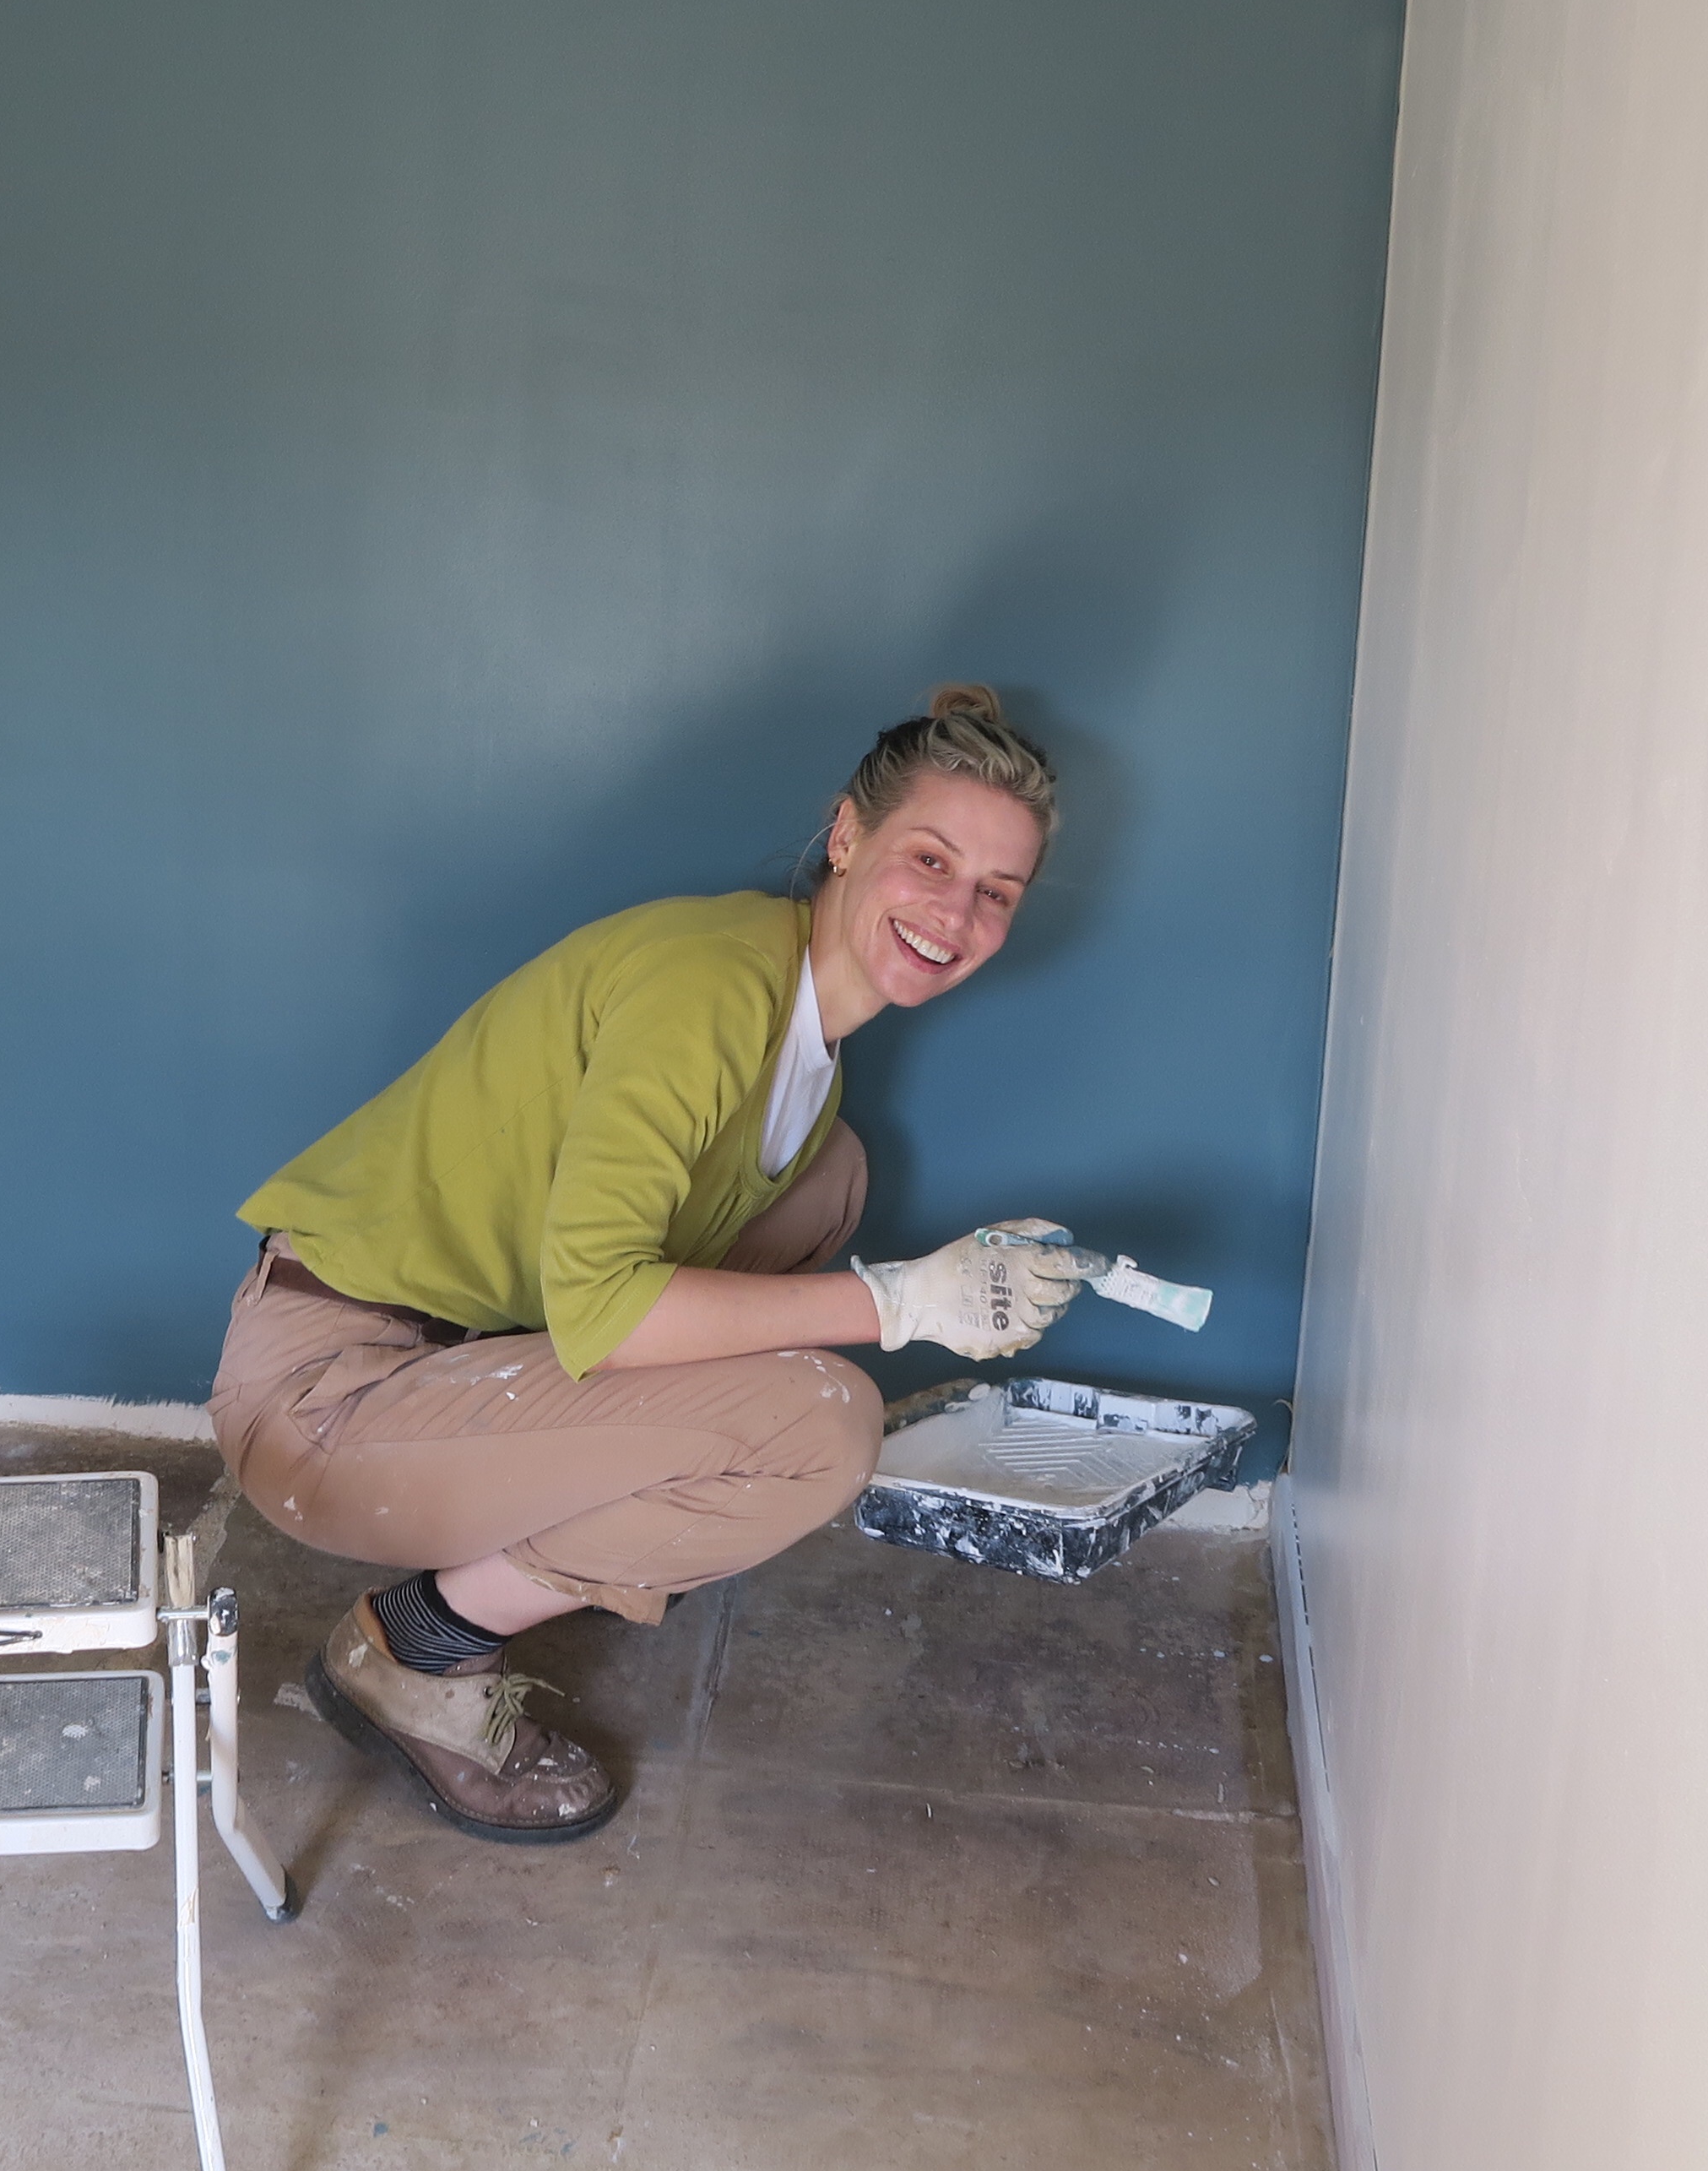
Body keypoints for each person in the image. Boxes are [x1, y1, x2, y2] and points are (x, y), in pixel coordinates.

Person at [208, 685, 1096, 1844]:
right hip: (328, 1405)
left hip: (468, 1354)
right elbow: (604, 1312)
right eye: (930, 859)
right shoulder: (709, 989)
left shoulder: (801, 1043)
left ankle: (558, 1512)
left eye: (996, 892)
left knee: (831, 1176)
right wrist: (903, 1301)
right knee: (823, 1427)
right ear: (846, 835)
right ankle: (414, 1650)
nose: (955, 912)